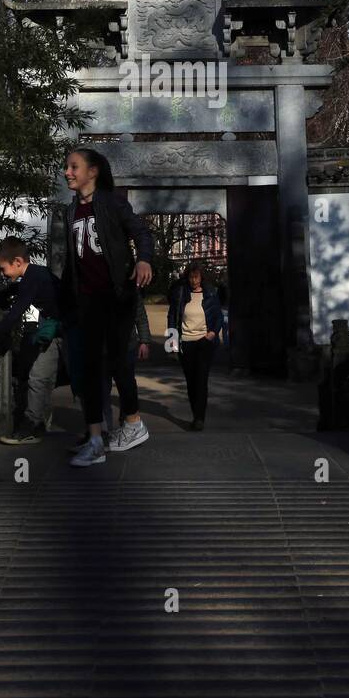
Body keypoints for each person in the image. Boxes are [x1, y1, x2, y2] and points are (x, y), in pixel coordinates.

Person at [61, 146, 154, 467]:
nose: (67, 172)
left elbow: (142, 233)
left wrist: (143, 259)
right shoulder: (69, 212)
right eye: (66, 167)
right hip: (87, 302)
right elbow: (71, 265)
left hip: (117, 297)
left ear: (93, 171)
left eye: (74, 167)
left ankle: (133, 423)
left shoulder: (113, 203)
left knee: (117, 363)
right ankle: (96, 441)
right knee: (89, 370)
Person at [0, 238, 63, 445]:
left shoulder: (33, 278)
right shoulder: (36, 274)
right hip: (56, 330)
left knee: (43, 378)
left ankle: (32, 426)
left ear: (18, 262)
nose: (3, 274)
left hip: (66, 331)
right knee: (39, 377)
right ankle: (35, 426)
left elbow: (14, 314)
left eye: (3, 269)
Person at [67, 292, 152, 453]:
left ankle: (127, 424)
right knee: (101, 389)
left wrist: (144, 340)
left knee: (124, 383)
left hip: (122, 344)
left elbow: (139, 312)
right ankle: (104, 432)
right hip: (103, 344)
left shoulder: (122, 284)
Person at [167, 261, 223, 430]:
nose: (194, 281)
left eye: (196, 277)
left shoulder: (211, 293)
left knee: (201, 380)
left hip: (204, 342)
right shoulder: (180, 293)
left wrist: (212, 333)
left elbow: (218, 316)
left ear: (201, 277)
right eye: (191, 277)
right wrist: (172, 343)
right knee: (191, 382)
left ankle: (200, 418)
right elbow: (172, 318)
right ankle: (195, 414)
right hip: (186, 343)